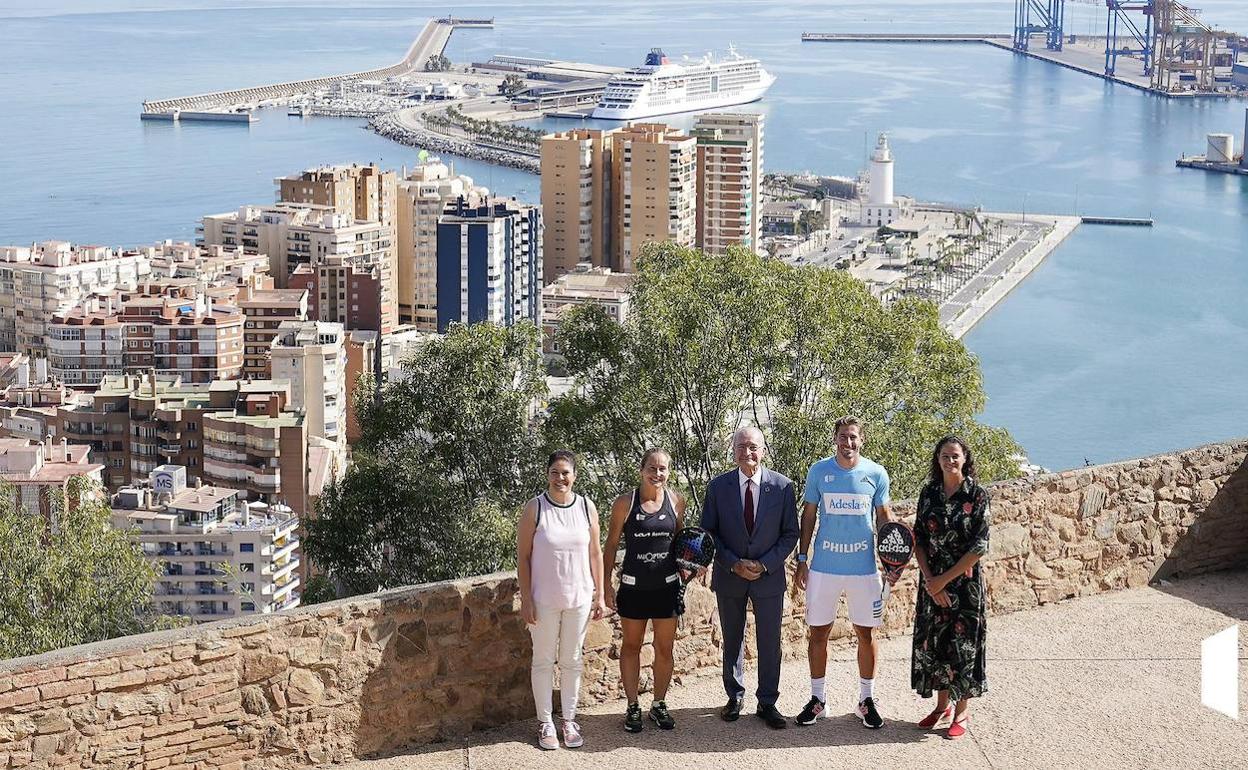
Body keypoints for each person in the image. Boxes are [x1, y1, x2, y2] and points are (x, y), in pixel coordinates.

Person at [793, 415, 896, 729]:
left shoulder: (876, 473)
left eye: (853, 437)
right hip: (824, 568)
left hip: (864, 570)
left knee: (866, 634)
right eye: (843, 437)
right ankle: (817, 700)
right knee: (818, 634)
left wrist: (892, 557)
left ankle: (866, 700)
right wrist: (801, 557)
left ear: (861, 440)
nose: (848, 443)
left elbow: (884, 517)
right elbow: (809, 515)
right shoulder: (819, 471)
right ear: (835, 439)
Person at [700, 426, 799, 729]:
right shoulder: (718, 487)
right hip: (730, 575)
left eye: (753, 447)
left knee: (770, 642)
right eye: (741, 447)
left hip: (768, 576)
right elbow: (709, 533)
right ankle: (735, 696)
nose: (747, 452)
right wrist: (733, 563)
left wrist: (764, 564)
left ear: (763, 450)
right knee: (732, 638)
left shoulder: (782, 487)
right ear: (733, 451)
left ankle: (768, 702)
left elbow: (790, 533)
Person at [517, 450, 606, 750]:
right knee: (542, 661)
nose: (560, 478)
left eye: (565, 472)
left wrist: (600, 595)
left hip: (579, 598)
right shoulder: (536, 508)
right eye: (555, 472)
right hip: (543, 600)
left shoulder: (586, 507)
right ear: (547, 474)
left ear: (574, 475)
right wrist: (526, 598)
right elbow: (524, 557)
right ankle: (545, 723)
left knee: (572, 662)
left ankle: (568, 720)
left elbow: (596, 553)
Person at [911, 435, 990, 740]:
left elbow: (980, 545)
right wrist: (931, 580)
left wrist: (943, 581)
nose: (950, 461)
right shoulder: (929, 493)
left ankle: (961, 712)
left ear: (965, 459)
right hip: (931, 582)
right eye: (945, 456)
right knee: (937, 642)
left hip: (964, 585)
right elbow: (917, 537)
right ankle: (941, 706)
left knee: (963, 647)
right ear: (938, 459)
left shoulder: (977, 495)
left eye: (955, 456)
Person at [603, 448, 686, 733]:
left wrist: (687, 564)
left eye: (663, 469)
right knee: (631, 646)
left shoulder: (676, 501)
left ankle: (659, 704)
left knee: (664, 648)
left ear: (668, 472)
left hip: (666, 589)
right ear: (641, 469)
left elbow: (680, 543)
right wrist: (605, 585)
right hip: (633, 589)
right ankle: (633, 706)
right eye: (652, 467)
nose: (657, 473)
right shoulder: (624, 503)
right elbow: (611, 545)